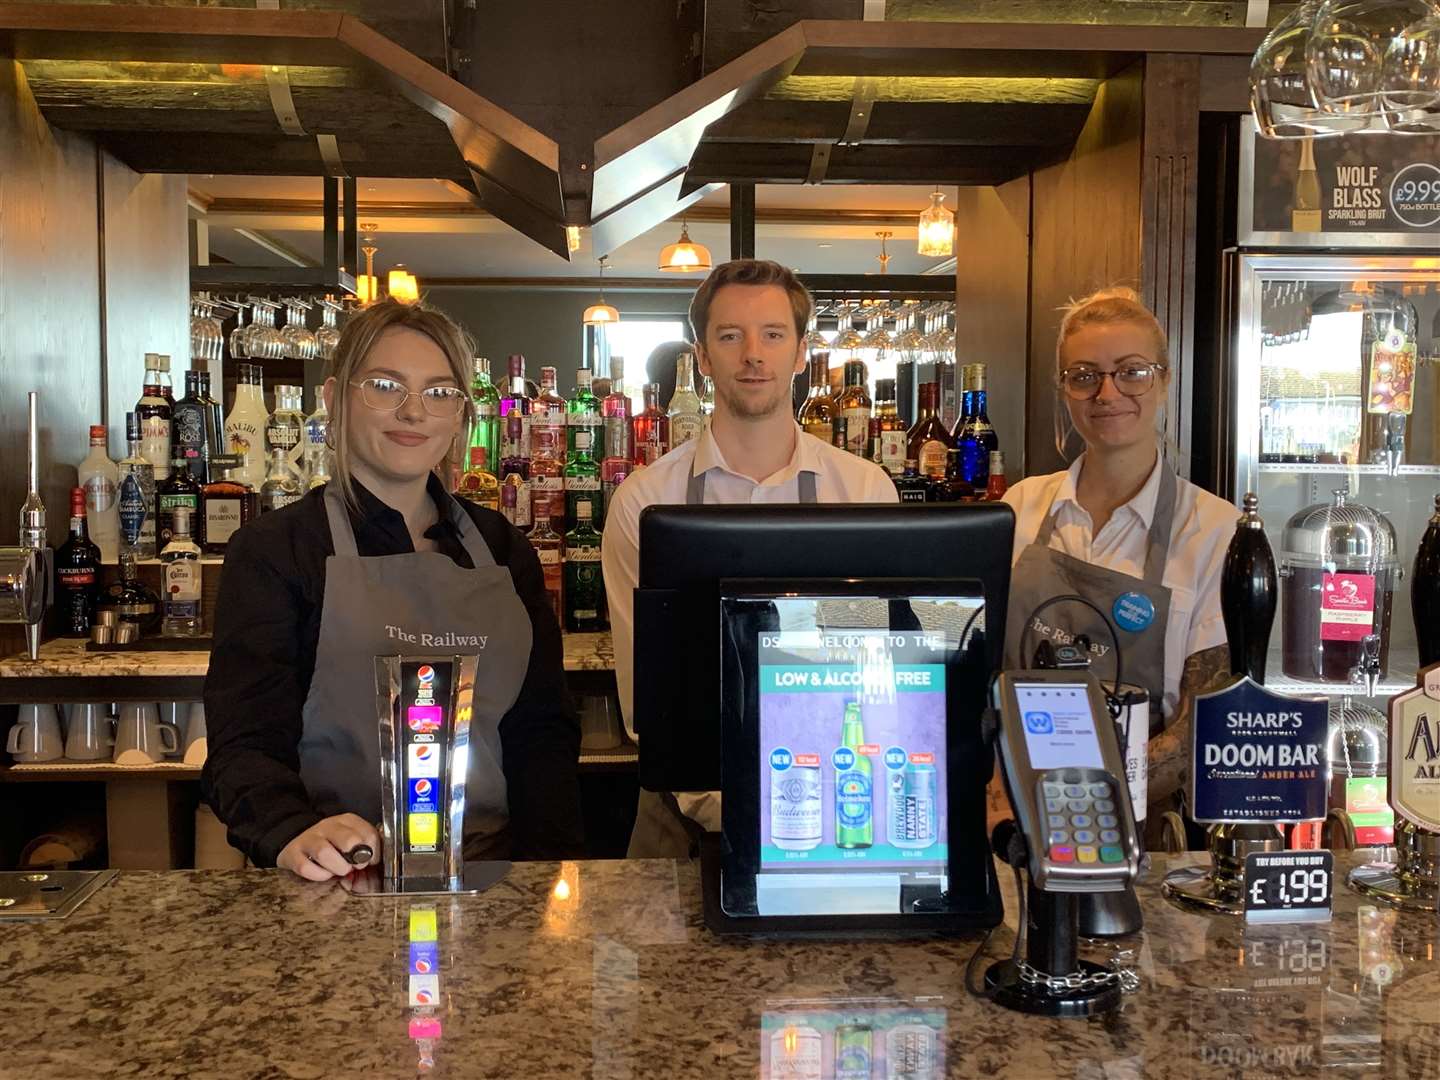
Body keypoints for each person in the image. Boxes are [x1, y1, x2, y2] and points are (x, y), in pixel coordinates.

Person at [203, 299, 582, 880]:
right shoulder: (277, 550)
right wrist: (290, 830)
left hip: (493, 874)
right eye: (384, 386)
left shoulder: (503, 549)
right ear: (333, 400)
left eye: (438, 392)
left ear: (460, 415)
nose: (413, 412)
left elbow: (541, 733)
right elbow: (245, 741)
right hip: (336, 877)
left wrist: (546, 878)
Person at [602, 259, 898, 858]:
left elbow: (880, 677)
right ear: (703, 357)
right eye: (730, 336)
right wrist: (738, 803)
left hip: (840, 798)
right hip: (684, 819)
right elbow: (647, 702)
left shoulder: (865, 491)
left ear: (799, 353)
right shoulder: (644, 500)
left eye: (772, 334)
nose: (752, 355)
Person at [1000, 287, 1235, 830]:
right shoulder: (1020, 508)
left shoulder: (1213, 530)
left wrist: (1083, 799)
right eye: (1084, 376)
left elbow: (1204, 718)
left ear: (1164, 379)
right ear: (1062, 388)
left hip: (1145, 827)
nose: (1107, 393)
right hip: (1013, 815)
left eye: (1131, 371)